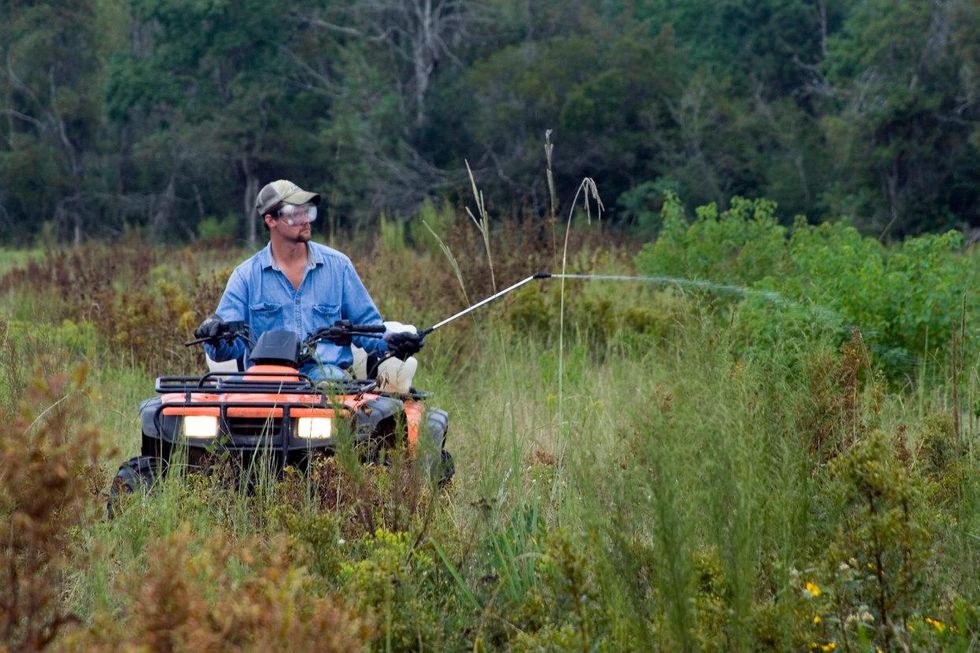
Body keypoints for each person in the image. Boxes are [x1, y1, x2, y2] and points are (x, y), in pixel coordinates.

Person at [193, 179, 423, 380]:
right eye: (295, 213)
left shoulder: (339, 267)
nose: (305, 220)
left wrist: (395, 342)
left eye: (308, 212)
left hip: (326, 376)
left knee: (330, 380)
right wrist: (212, 335)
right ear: (271, 219)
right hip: (262, 379)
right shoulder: (245, 276)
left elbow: (369, 330)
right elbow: (225, 348)